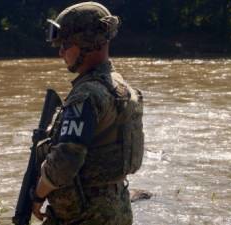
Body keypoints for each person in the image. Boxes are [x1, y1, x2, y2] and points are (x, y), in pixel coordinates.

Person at [30, 2, 145, 225]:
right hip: (117, 208)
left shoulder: (87, 95)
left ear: (87, 45)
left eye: (66, 44)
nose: (60, 52)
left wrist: (37, 195)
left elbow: (65, 162)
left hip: (84, 215)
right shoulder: (123, 88)